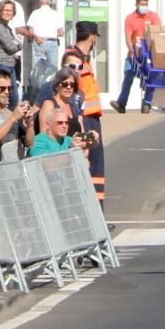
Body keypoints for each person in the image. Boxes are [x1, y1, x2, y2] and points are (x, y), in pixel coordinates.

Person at [68, 23, 108, 203]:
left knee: (96, 167)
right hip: (85, 118)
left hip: (91, 116)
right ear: (92, 37)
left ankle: (98, 212)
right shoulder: (75, 60)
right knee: (91, 165)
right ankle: (95, 212)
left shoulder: (83, 59)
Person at [110, 0, 162, 113]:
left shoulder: (153, 16)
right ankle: (121, 103)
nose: (144, 7)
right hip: (134, 54)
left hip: (149, 55)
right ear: (136, 4)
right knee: (128, 76)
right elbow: (128, 38)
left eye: (146, 4)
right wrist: (133, 51)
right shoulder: (130, 18)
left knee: (148, 78)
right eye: (142, 4)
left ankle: (147, 102)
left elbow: (158, 33)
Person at [20, 0, 63, 92]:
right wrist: (51, 33)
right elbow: (61, 32)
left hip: (39, 41)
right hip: (52, 41)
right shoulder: (55, 14)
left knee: (38, 68)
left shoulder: (35, 13)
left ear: (40, 1)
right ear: (50, 2)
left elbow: (30, 31)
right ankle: (52, 90)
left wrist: (37, 36)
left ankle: (37, 91)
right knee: (53, 68)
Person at [0, 0, 25, 89]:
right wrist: (19, 45)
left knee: (12, 98)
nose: (8, 13)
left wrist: (15, 45)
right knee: (10, 98)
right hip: (1, 66)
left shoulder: (7, 28)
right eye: (5, 10)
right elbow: (11, 47)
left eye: (10, 11)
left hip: (9, 65)